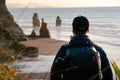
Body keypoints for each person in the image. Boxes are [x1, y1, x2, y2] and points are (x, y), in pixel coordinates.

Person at [50, 16, 113, 80]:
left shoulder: (64, 50)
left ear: (73, 30)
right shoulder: (99, 50)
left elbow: (54, 76)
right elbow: (109, 76)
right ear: (88, 29)